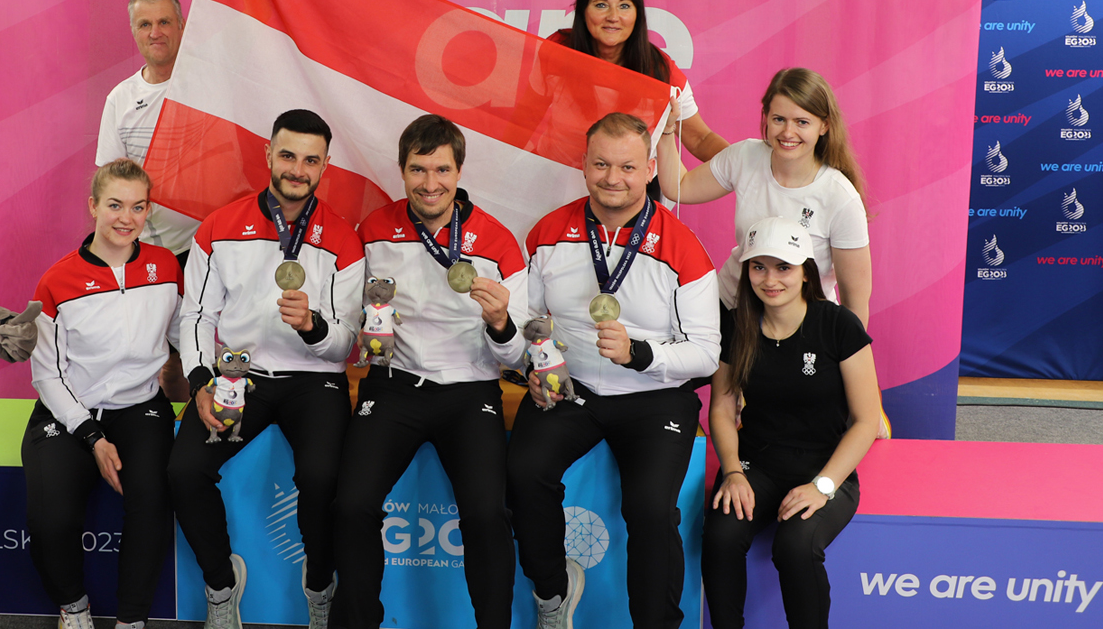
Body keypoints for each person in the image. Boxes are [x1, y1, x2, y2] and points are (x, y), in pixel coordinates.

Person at [510, 112, 720, 629]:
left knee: (650, 510)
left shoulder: (683, 248)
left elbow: (708, 355)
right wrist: (532, 370)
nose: (612, 177)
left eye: (627, 166)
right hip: (570, 391)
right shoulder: (548, 233)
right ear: (583, 164)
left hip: (655, 398)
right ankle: (552, 598)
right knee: (520, 473)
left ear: (650, 169)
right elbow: (528, 323)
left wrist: (640, 355)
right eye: (601, 164)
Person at [330, 114, 530, 629]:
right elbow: (353, 322)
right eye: (418, 170)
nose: (430, 183)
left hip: (471, 391)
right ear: (402, 170)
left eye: (441, 169)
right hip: (394, 387)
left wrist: (502, 322)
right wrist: (365, 328)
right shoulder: (373, 229)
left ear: (459, 171)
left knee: (487, 516)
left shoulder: (500, 241)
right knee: (351, 506)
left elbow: (517, 360)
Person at [168, 109, 364, 629]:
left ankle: (319, 585)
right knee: (184, 472)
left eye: (310, 160)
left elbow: (347, 343)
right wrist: (200, 382)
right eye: (288, 155)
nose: (297, 169)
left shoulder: (344, 238)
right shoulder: (219, 227)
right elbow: (196, 315)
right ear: (268, 154)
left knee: (323, 479)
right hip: (238, 379)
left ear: (325, 165)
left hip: (314, 382)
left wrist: (314, 328)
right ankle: (220, 586)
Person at [22, 159, 182, 629]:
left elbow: (183, 331)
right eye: (114, 205)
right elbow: (46, 376)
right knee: (50, 519)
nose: (125, 218)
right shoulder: (57, 280)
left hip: (141, 408)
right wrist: (92, 436)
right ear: (93, 206)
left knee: (151, 501)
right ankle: (73, 609)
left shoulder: (165, 266)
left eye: (137, 207)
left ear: (148, 211)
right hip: (70, 410)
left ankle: (132, 620)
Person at [701, 217, 881, 629]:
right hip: (757, 464)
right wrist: (731, 470)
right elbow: (723, 409)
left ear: (805, 273)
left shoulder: (836, 324)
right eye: (758, 266)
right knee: (720, 536)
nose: (770, 279)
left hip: (824, 466)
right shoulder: (737, 327)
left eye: (783, 267)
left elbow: (866, 419)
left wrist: (823, 486)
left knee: (795, 547)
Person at [656, 67, 871, 329]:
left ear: (824, 125)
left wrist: (846, 357)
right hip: (731, 310)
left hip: (801, 327)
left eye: (802, 122)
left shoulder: (841, 197)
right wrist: (667, 132)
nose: (788, 132)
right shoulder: (745, 156)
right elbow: (679, 186)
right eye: (779, 119)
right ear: (766, 118)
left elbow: (855, 303)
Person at [96, 0, 199, 400]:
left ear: (181, 26)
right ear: (134, 33)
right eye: (145, 24)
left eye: (164, 22)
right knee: (162, 359)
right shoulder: (120, 99)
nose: (155, 32)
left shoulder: (212, 91)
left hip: (206, 249)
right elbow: (111, 181)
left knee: (203, 350)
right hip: (147, 252)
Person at [549, 0, 729, 168]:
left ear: (638, 15)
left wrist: (747, 165)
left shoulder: (659, 70)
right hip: (560, 179)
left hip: (633, 189)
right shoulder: (556, 51)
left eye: (624, 6)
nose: (613, 16)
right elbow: (524, 115)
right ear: (583, 12)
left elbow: (700, 139)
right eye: (601, 5)